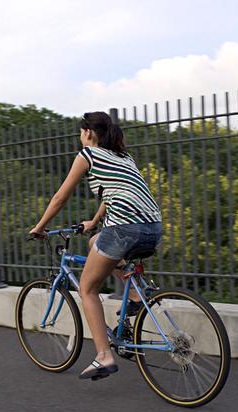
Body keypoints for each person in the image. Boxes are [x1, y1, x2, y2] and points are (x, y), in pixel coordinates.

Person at [30, 111, 162, 380]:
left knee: (88, 288)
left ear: (88, 133)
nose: (80, 136)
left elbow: (60, 197)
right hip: (153, 227)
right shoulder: (124, 157)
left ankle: (103, 356)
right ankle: (137, 294)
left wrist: (40, 226)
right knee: (95, 241)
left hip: (124, 229)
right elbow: (117, 190)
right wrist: (94, 220)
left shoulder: (88, 155)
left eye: (81, 132)